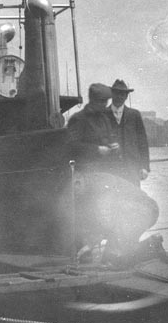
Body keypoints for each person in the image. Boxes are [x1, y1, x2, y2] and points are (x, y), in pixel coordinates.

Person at [66, 83, 158, 263]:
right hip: (96, 174)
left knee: (128, 208)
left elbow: (139, 141)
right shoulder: (82, 119)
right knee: (97, 212)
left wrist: (115, 147)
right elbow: (72, 146)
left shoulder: (115, 117)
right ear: (95, 100)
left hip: (119, 173)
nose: (106, 105)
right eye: (103, 101)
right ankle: (93, 251)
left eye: (106, 101)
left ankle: (118, 249)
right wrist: (98, 150)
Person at [106, 79, 150, 187]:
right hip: (110, 170)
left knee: (133, 196)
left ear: (126, 96)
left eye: (123, 94)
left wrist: (144, 167)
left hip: (132, 169)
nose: (119, 96)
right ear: (111, 95)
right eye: (116, 93)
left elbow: (142, 142)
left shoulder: (134, 115)